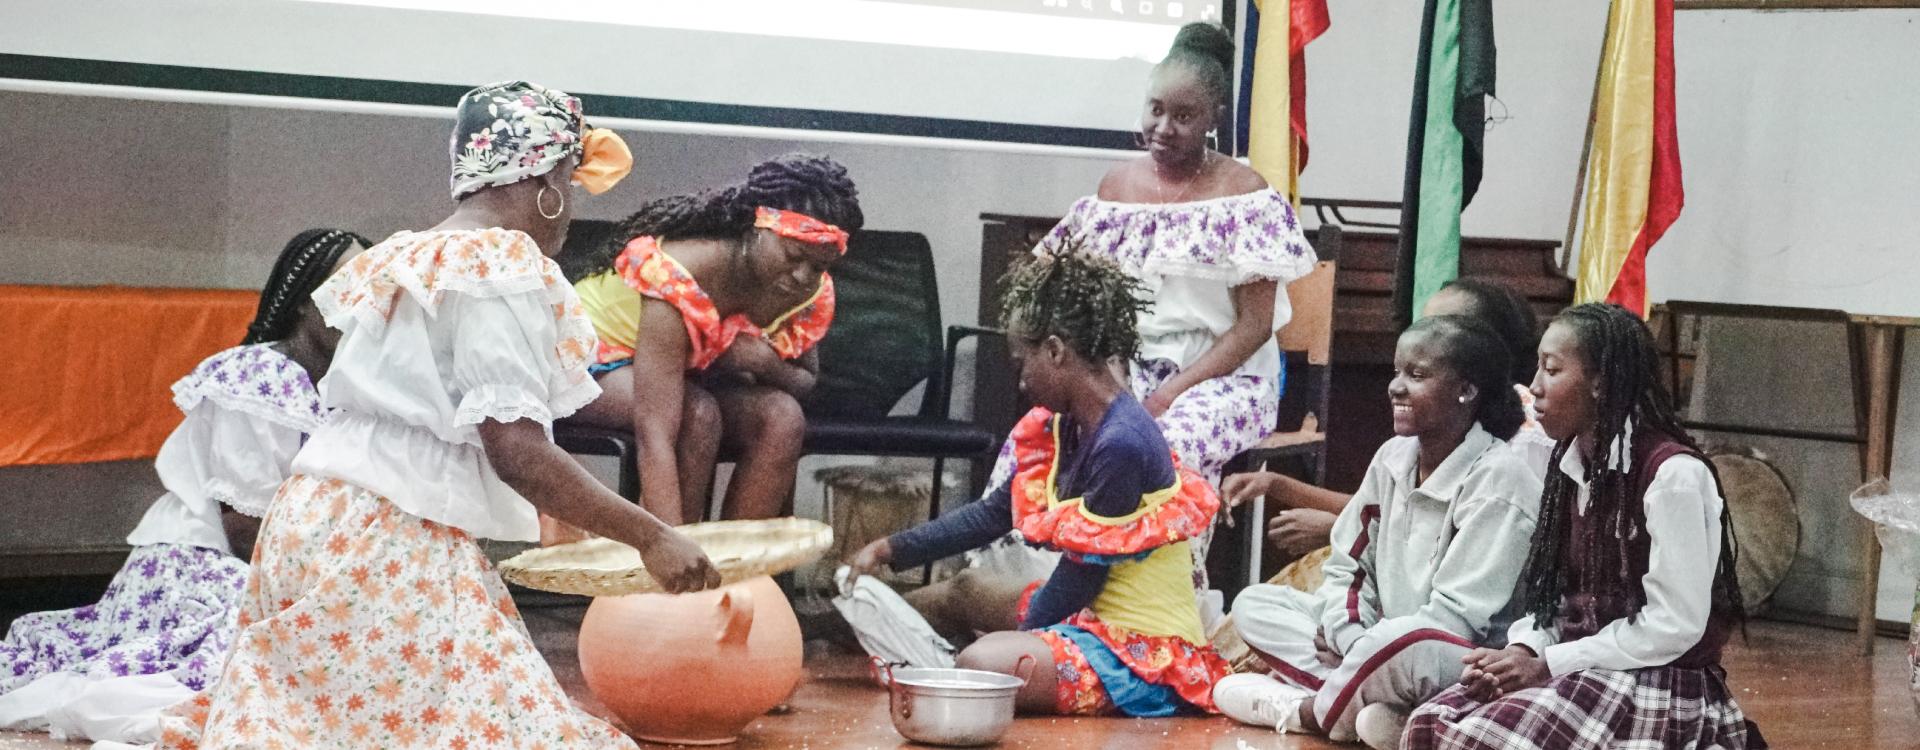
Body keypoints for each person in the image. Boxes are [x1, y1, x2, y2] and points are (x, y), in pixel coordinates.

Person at [149, 81, 717, 750]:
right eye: (572, 177)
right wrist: (649, 535)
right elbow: (520, 453)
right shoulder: (496, 269)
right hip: (385, 541)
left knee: (337, 729)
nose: (571, 208)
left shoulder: (402, 257)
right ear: (544, 182)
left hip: (311, 522)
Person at [0, 229, 365, 743]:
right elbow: (245, 529)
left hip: (289, 557)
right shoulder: (259, 376)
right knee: (246, 659)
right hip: (204, 560)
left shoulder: (350, 385)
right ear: (305, 299)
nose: (363, 302)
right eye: (345, 284)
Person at [847, 250, 1230, 717]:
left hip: (1141, 653)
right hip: (1087, 618)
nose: (1022, 381)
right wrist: (890, 549)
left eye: (1021, 362)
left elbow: (1080, 576)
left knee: (981, 661)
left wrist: (1022, 637)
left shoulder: (1123, 442)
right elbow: (993, 513)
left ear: (1054, 350)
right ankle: (842, 624)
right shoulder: (1064, 426)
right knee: (966, 590)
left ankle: (941, 672)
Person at [1403, 303, 1766, 749]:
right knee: (1427, 722)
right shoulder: (1568, 465)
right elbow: (1551, 598)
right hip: (1580, 667)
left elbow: (1675, 625)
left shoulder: (1673, 476)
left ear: (1600, 383)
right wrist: (1522, 652)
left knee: (1477, 741)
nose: (1533, 386)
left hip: (1656, 680)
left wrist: (1551, 663)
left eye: (1551, 370)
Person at [1037, 22, 1316, 584]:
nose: (1162, 129)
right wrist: (1114, 377)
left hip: (1223, 376)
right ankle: (1055, 585)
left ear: (1214, 115)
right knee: (1047, 431)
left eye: (1183, 116)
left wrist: (1171, 390)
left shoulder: (1243, 193)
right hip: (1128, 368)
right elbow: (1089, 299)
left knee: (1158, 446)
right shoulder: (1115, 188)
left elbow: (1255, 326)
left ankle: (1162, 600)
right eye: (1154, 110)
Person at [1213, 315, 1542, 748]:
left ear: (1466, 391)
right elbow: (1347, 567)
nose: (1396, 387)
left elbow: (1456, 619)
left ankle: (1306, 712)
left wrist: (1370, 647)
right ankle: (1384, 715)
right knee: (1256, 604)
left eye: (1417, 375)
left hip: (1456, 656)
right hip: (1377, 643)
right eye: (1396, 372)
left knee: (1404, 643)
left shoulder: (1502, 478)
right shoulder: (1392, 457)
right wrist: (1352, 638)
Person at [564, 155, 862, 525]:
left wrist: (763, 362)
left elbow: (804, 380)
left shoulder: (804, 289)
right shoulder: (680, 273)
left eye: (819, 266)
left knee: (782, 417)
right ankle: (679, 564)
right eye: (793, 255)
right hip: (586, 359)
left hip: (675, 376)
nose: (803, 276)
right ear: (757, 226)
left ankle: (740, 566)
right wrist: (667, 548)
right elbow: (655, 430)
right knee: (697, 416)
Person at [1223, 278, 1548, 559]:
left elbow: (1475, 540)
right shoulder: (1437, 422)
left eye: (1439, 327)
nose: (1423, 336)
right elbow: (1387, 508)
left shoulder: (1524, 433)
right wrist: (1275, 485)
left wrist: (1338, 530)